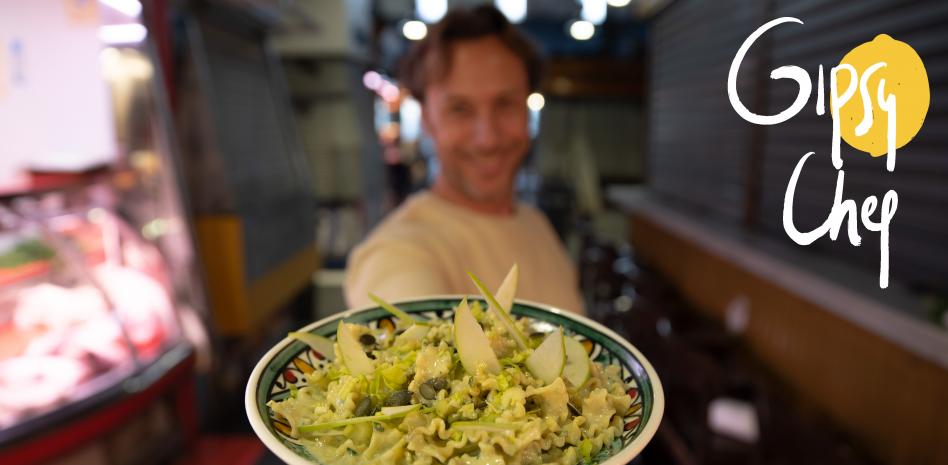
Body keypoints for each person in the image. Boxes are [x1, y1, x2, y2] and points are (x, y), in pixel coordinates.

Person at [344, 5, 584, 314]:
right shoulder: (397, 251)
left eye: (505, 103)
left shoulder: (536, 225)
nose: (488, 138)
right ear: (427, 120)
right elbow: (406, 324)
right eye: (459, 109)